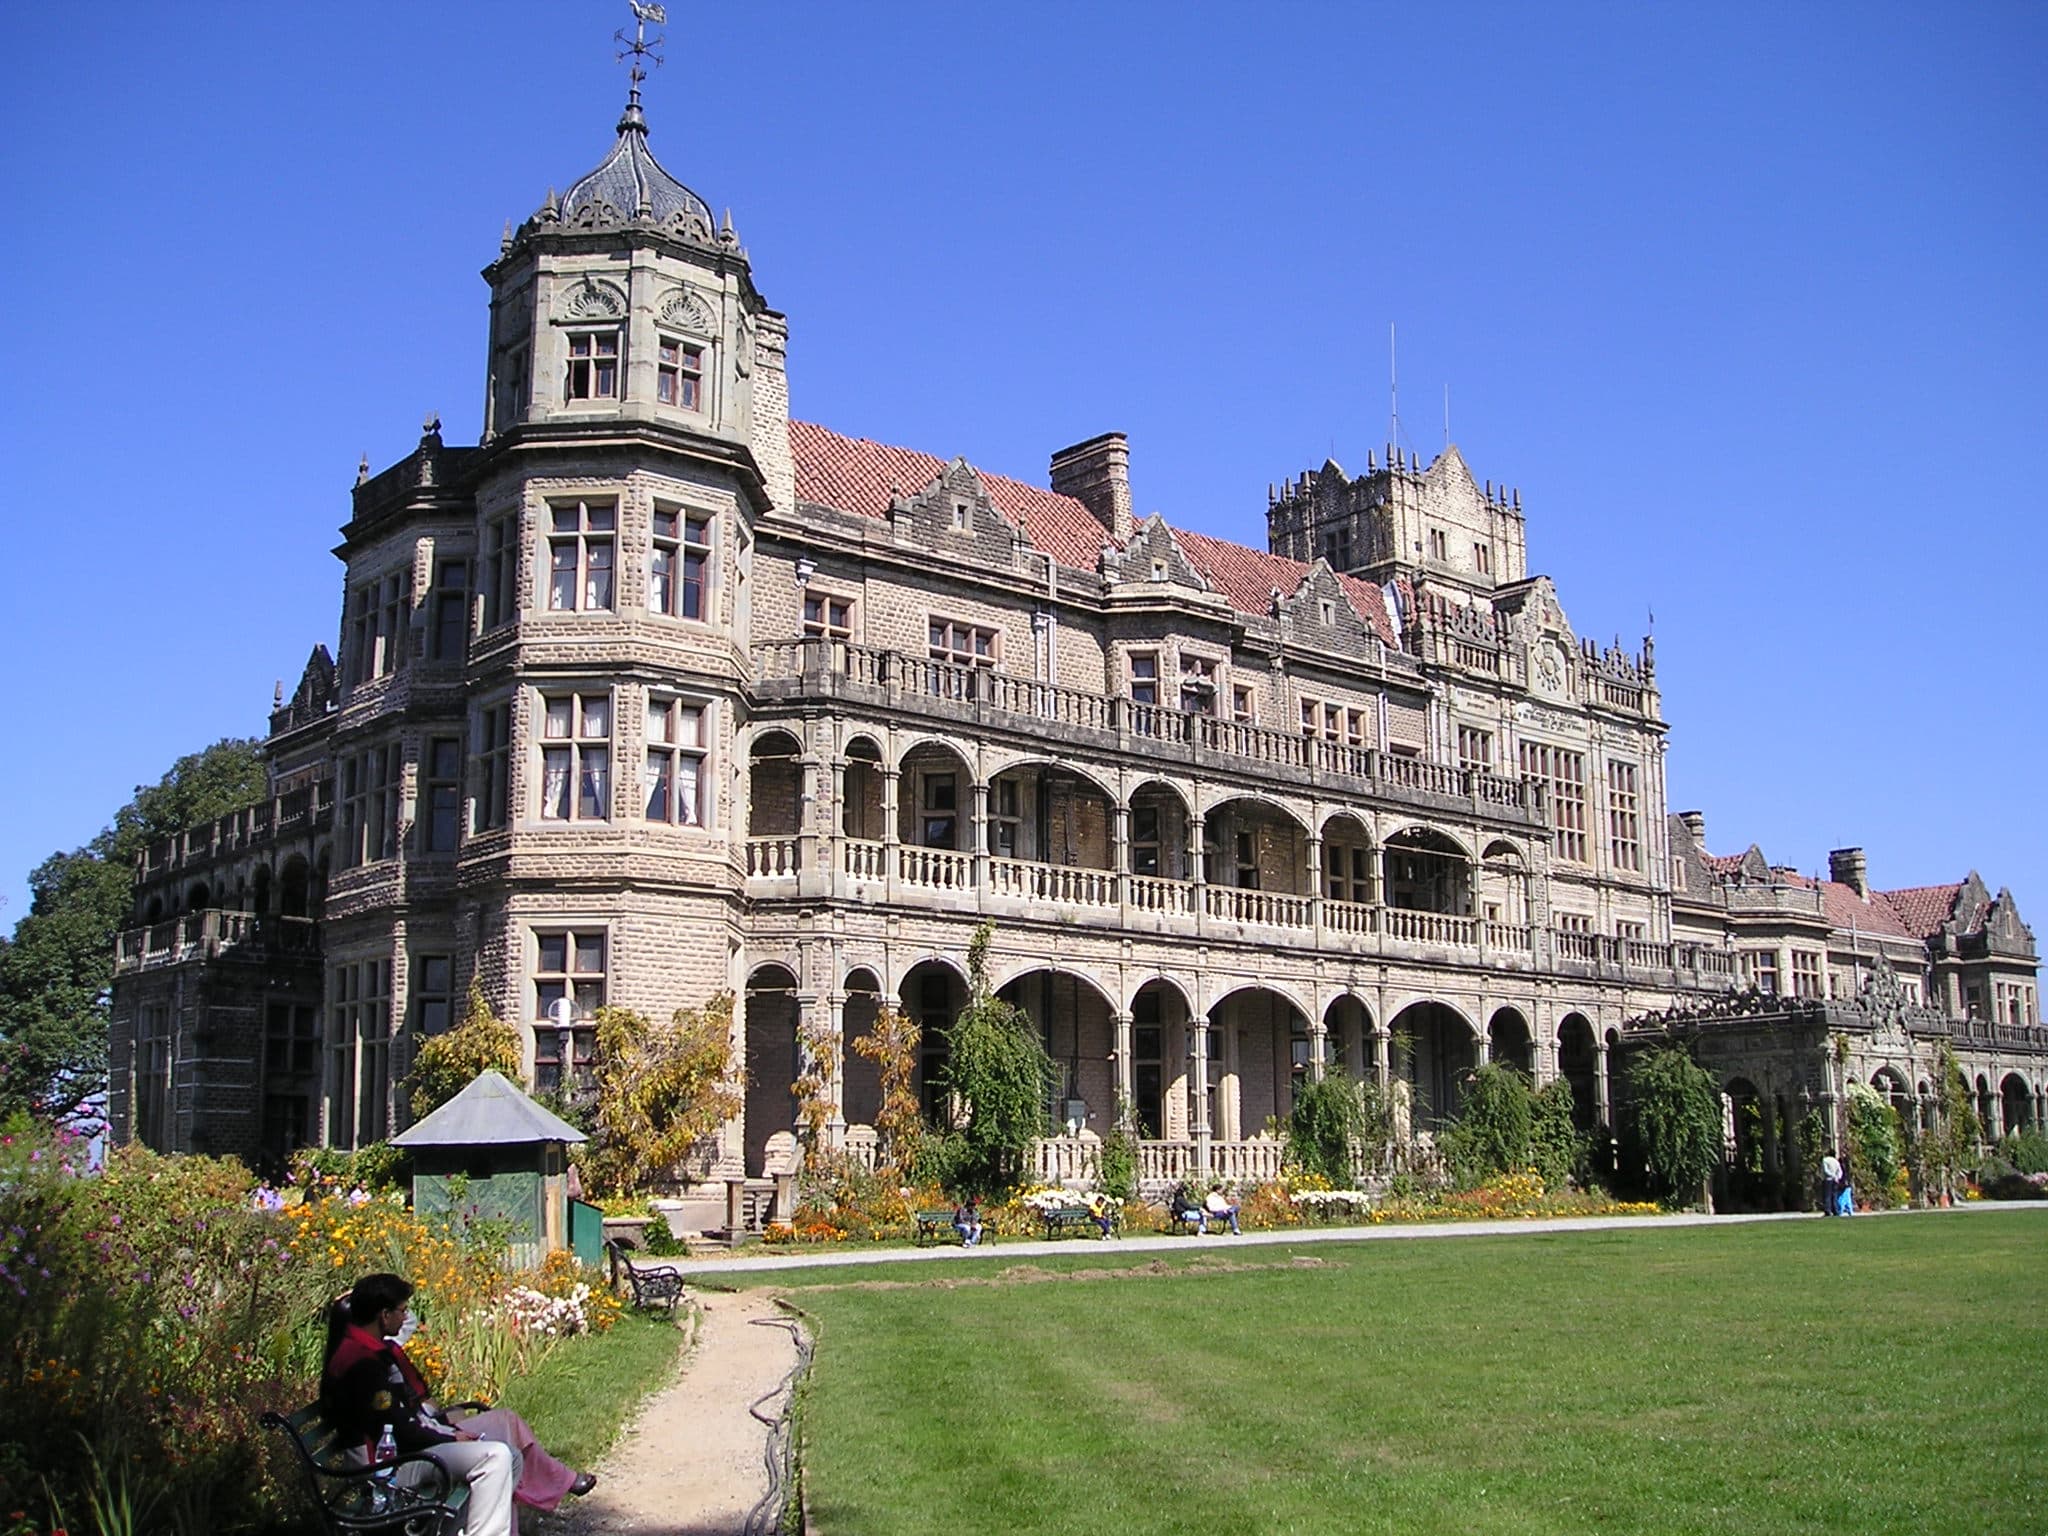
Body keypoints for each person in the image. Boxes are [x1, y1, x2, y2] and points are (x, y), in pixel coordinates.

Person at [321, 1273, 595, 1533]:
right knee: (495, 1457)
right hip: (386, 1469)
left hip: (405, 1450)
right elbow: (399, 1431)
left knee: (507, 1454)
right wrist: (451, 1438)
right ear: (384, 1315)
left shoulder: (369, 1350)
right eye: (402, 1310)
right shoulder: (363, 1363)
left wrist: (446, 1428)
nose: (406, 1318)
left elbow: (404, 1418)